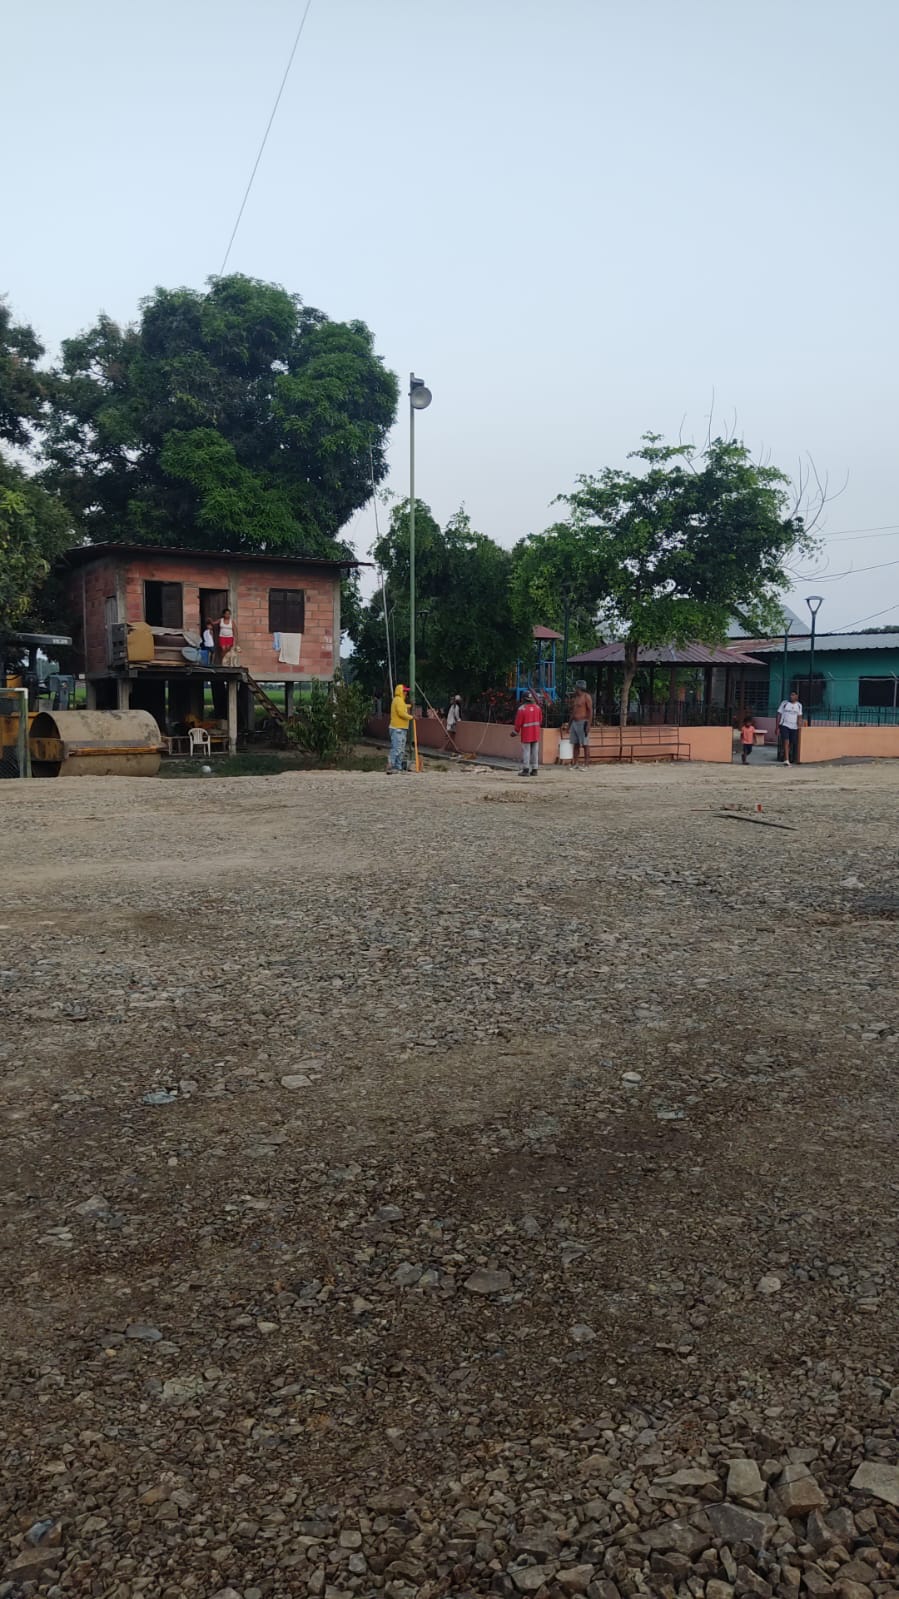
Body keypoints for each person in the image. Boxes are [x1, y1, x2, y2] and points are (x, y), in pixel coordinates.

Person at [512, 690, 542, 776]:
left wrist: (515, 732)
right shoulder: (538, 708)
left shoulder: (521, 709)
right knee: (535, 752)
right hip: (535, 733)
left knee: (526, 751)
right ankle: (535, 770)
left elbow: (518, 723)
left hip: (526, 734)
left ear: (523, 699)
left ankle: (526, 770)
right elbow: (540, 721)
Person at [387, 682, 414, 773]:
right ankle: (391, 765)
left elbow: (403, 707)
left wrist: (410, 705)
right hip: (397, 728)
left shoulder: (400, 701)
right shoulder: (398, 700)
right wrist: (411, 717)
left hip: (401, 728)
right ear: (400, 691)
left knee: (401, 749)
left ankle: (398, 767)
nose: (406, 693)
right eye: (404, 691)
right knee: (397, 748)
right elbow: (401, 713)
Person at [568, 679, 594, 769]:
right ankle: (575, 763)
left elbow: (590, 711)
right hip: (574, 723)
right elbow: (573, 712)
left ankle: (586, 764)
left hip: (583, 722)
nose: (575, 689)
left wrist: (589, 724)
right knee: (575, 744)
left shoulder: (586, 697)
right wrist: (569, 725)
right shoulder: (576, 698)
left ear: (579, 688)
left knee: (585, 744)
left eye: (576, 688)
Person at [776, 690, 802, 766]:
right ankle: (787, 760)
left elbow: (799, 716)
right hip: (784, 725)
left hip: (794, 727)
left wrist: (799, 725)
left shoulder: (799, 705)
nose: (791, 696)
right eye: (790, 695)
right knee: (786, 741)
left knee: (791, 742)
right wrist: (777, 727)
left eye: (793, 695)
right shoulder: (784, 703)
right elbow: (779, 714)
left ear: (796, 696)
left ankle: (786, 756)